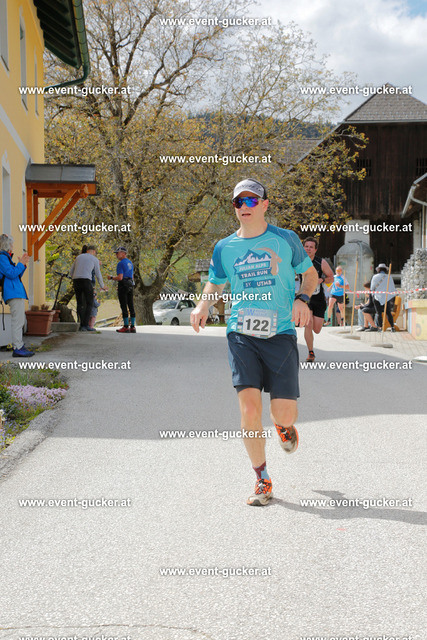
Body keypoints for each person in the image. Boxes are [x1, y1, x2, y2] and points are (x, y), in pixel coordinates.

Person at [190, 178, 317, 506]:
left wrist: (302, 298)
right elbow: (215, 282)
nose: (244, 207)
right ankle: (262, 479)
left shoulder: (285, 239)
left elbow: (311, 275)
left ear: (264, 205)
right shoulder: (224, 247)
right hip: (241, 333)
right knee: (249, 408)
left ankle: (283, 426)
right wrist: (203, 305)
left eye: (251, 201)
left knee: (284, 413)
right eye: (238, 202)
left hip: (281, 333)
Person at [0, 234, 34, 357]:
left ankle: (19, 346)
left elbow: (16, 275)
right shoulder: (2, 257)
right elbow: (11, 273)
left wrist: (22, 265)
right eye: (12, 244)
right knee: (18, 321)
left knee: (19, 321)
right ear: (8, 245)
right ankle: (18, 347)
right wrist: (20, 264)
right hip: (13, 293)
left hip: (15, 292)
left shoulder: (5, 257)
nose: (13, 246)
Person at [301, 237, 334, 362]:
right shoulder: (299, 261)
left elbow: (331, 277)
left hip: (318, 298)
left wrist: (322, 280)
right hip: (305, 297)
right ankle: (311, 352)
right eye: (306, 246)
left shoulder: (321, 262)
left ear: (315, 250)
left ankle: (311, 350)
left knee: (317, 329)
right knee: (308, 324)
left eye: (311, 247)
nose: (308, 249)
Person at [69, 245, 106, 331]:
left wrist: (74, 278)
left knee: (80, 303)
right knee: (90, 303)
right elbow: (98, 274)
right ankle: (85, 325)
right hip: (86, 281)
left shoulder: (78, 257)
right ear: (94, 251)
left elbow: (71, 271)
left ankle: (81, 324)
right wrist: (102, 286)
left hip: (76, 280)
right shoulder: (94, 259)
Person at [108, 247, 136, 333]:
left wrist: (111, 277)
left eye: (118, 253)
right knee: (131, 305)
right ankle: (133, 326)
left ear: (123, 253)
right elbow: (132, 276)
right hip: (130, 284)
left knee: (123, 305)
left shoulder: (120, 263)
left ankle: (126, 326)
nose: (116, 255)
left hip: (123, 285)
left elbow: (120, 277)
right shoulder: (130, 263)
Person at [370, 263, 396, 332]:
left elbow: (372, 288)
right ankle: (392, 327)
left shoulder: (374, 277)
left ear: (378, 269)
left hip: (377, 297)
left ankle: (380, 328)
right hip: (386, 297)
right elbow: (392, 288)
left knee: (378, 313)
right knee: (388, 313)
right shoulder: (389, 277)